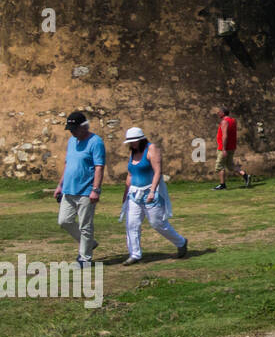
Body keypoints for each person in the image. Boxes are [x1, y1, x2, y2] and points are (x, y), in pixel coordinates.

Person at [118, 127, 189, 264]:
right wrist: (125, 194)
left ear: (141, 140)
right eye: (130, 142)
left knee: (157, 223)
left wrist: (152, 191)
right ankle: (135, 254)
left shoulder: (152, 149)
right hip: (134, 193)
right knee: (131, 224)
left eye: (134, 141)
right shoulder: (133, 152)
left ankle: (181, 242)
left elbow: (157, 172)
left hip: (150, 192)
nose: (131, 144)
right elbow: (130, 174)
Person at [54, 111, 106, 268]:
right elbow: (67, 164)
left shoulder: (96, 142)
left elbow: (99, 167)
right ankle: (89, 243)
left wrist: (95, 190)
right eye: (70, 129)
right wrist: (60, 185)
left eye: (74, 128)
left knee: (85, 225)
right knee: (64, 221)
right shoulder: (71, 141)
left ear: (84, 127)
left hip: (86, 190)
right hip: (69, 190)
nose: (72, 132)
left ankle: (85, 257)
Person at [213, 105, 250, 190]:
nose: (218, 113)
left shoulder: (224, 122)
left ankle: (222, 185)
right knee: (230, 165)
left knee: (219, 166)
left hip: (224, 148)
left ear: (223, 113)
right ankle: (245, 175)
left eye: (219, 112)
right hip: (231, 147)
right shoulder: (233, 121)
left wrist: (224, 149)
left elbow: (225, 136)